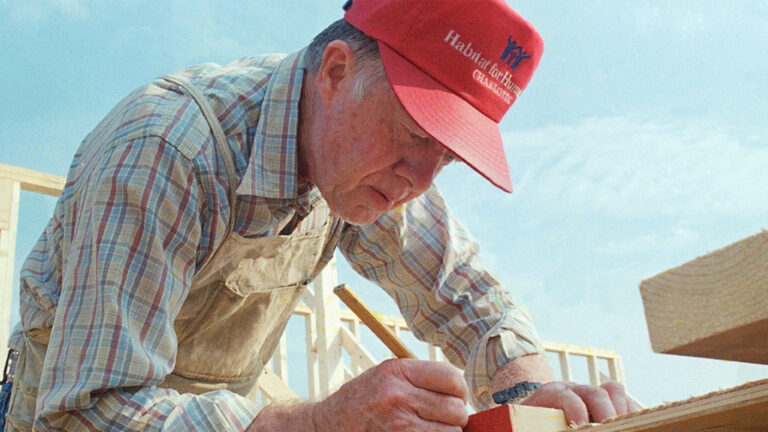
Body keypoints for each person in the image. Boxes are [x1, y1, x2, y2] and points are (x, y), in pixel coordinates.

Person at [2, 0, 639, 430]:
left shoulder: (365, 160)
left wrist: (525, 395)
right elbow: (85, 413)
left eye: (445, 159)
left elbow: (467, 297)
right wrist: (318, 423)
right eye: (417, 135)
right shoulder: (167, 151)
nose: (419, 182)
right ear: (335, 73)